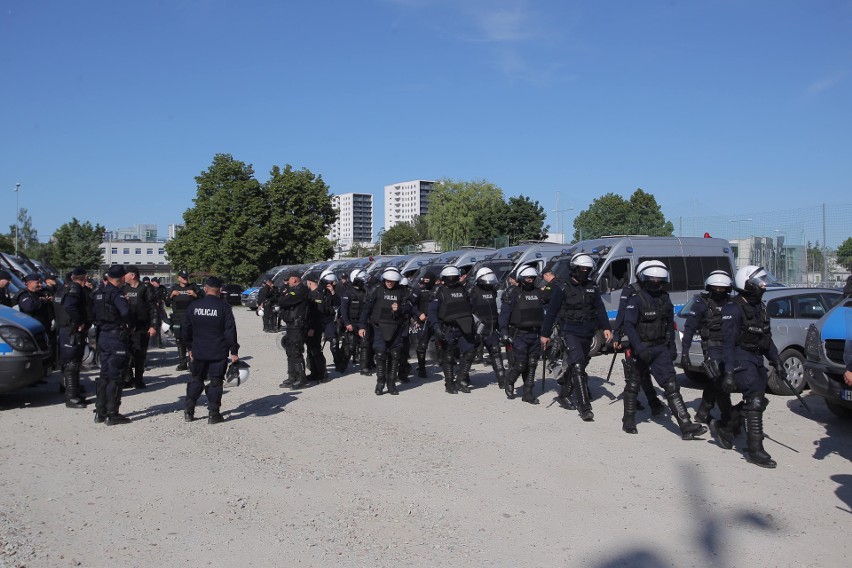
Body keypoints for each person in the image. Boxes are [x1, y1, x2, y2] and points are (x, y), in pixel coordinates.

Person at [621, 261, 707, 439]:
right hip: (641, 347)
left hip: (660, 348)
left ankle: (686, 426)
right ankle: (628, 420)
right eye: (652, 278)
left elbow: (669, 325)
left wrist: (672, 347)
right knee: (633, 385)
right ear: (645, 279)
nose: (655, 282)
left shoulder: (665, 298)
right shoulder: (636, 299)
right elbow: (628, 326)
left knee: (671, 386)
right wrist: (638, 347)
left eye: (659, 279)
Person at [717, 265, 783, 468]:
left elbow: (766, 339)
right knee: (754, 400)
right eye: (759, 282)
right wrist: (728, 372)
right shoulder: (733, 308)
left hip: (756, 357)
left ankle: (726, 427)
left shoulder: (759, 308)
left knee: (759, 400)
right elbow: (727, 343)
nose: (763, 285)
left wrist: (777, 361)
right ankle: (755, 450)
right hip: (739, 357)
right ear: (747, 284)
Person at [542, 254, 612, 421]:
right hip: (569, 331)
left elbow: (600, 308)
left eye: (587, 270)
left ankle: (564, 394)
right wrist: (544, 334)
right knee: (579, 365)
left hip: (587, 332)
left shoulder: (592, 287)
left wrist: (606, 327)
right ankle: (585, 407)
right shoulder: (562, 287)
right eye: (582, 269)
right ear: (574, 269)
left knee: (578, 364)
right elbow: (551, 312)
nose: (584, 272)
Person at [679, 271, 735, 428]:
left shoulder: (732, 303)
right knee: (719, 379)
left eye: (721, 288)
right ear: (709, 287)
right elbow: (689, 329)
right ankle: (728, 416)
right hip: (711, 347)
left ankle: (703, 412)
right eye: (715, 288)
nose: (718, 291)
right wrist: (685, 353)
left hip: (729, 347)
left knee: (716, 382)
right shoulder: (701, 304)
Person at [612, 261, 667, 416]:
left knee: (644, 372)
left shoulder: (658, 291)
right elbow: (622, 312)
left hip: (653, 339)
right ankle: (640, 401)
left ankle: (653, 402)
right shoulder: (631, 290)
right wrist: (616, 334)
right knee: (635, 371)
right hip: (634, 337)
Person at [181, 277, 239, 424]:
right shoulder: (224, 307)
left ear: (205, 288)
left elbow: (186, 329)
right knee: (215, 382)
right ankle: (213, 414)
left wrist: (189, 347)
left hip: (198, 350)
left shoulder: (194, 305)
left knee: (196, 380)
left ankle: (189, 411)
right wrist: (234, 351)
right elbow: (230, 331)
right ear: (220, 290)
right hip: (218, 351)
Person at [90, 265, 135, 425]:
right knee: (116, 376)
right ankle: (112, 413)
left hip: (103, 335)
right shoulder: (116, 294)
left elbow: (92, 313)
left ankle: (100, 411)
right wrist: (130, 325)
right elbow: (125, 313)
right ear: (122, 278)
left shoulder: (99, 293)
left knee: (104, 375)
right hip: (116, 336)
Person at [359, 267, 409, 396]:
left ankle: (391, 384)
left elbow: (408, 308)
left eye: (392, 281)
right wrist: (362, 326)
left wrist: (399, 309)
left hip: (396, 329)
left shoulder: (402, 291)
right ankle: (380, 383)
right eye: (387, 280)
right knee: (380, 355)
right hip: (379, 328)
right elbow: (366, 309)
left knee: (395, 356)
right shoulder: (377, 290)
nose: (389, 282)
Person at [499, 265, 545, 404]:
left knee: (532, 364)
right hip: (519, 334)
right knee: (520, 364)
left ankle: (528, 393)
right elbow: (504, 315)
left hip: (535, 334)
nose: (530, 279)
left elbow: (544, 312)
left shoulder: (538, 293)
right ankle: (510, 380)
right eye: (527, 277)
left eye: (532, 277)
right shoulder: (513, 293)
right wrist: (504, 332)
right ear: (521, 278)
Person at [429, 265, 476, 394]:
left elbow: (470, 306)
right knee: (448, 357)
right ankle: (449, 383)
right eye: (449, 278)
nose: (451, 279)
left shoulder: (464, 290)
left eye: (453, 277)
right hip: (448, 328)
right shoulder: (439, 292)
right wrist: (436, 327)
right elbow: (432, 312)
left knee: (470, 352)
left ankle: (460, 379)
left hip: (464, 328)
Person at [53, 267, 92, 409]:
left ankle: (75, 394)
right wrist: (79, 321)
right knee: (72, 365)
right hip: (71, 332)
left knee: (74, 364)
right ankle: (71, 397)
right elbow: (70, 307)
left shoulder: (63, 290)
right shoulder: (75, 289)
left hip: (67, 330)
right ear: (85, 277)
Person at [121, 266, 158, 389]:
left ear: (133, 275)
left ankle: (138, 379)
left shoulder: (145, 289)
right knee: (126, 354)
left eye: (125, 274)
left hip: (141, 326)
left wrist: (153, 325)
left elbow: (153, 308)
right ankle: (127, 378)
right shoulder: (123, 288)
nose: (123, 276)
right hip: (126, 327)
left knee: (139, 354)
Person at [469, 267, 506, 388]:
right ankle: (463, 377)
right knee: (469, 354)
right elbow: (469, 311)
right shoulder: (473, 292)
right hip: (478, 329)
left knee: (496, 352)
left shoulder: (492, 291)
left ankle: (502, 379)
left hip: (491, 328)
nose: (488, 283)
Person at [278, 271, 310, 389]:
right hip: (291, 324)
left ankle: (301, 378)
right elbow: (281, 299)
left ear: (295, 280)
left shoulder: (301, 290)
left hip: (297, 325)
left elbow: (283, 301)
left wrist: (285, 295)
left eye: (289, 279)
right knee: (290, 350)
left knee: (296, 350)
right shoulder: (292, 290)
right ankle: (292, 376)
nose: (287, 282)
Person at [166, 270, 203, 371]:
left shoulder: (193, 287)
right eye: (183, 277)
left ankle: (193, 361)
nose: (185, 279)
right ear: (178, 278)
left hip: (191, 318)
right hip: (177, 318)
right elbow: (167, 303)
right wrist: (171, 295)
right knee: (179, 340)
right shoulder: (174, 288)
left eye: (186, 277)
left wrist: (195, 295)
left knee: (192, 340)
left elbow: (203, 300)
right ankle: (182, 362)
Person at [407, 271, 437, 379]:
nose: (425, 283)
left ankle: (447, 366)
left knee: (443, 343)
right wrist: (418, 314)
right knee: (422, 346)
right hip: (424, 320)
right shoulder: (418, 290)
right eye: (425, 280)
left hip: (437, 321)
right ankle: (422, 368)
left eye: (428, 281)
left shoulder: (438, 290)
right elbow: (411, 304)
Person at [340, 269, 370, 375]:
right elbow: (343, 309)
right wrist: (347, 323)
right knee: (350, 345)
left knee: (365, 344)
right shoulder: (348, 292)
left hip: (362, 323)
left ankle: (364, 367)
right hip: (351, 323)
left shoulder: (366, 292)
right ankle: (342, 365)